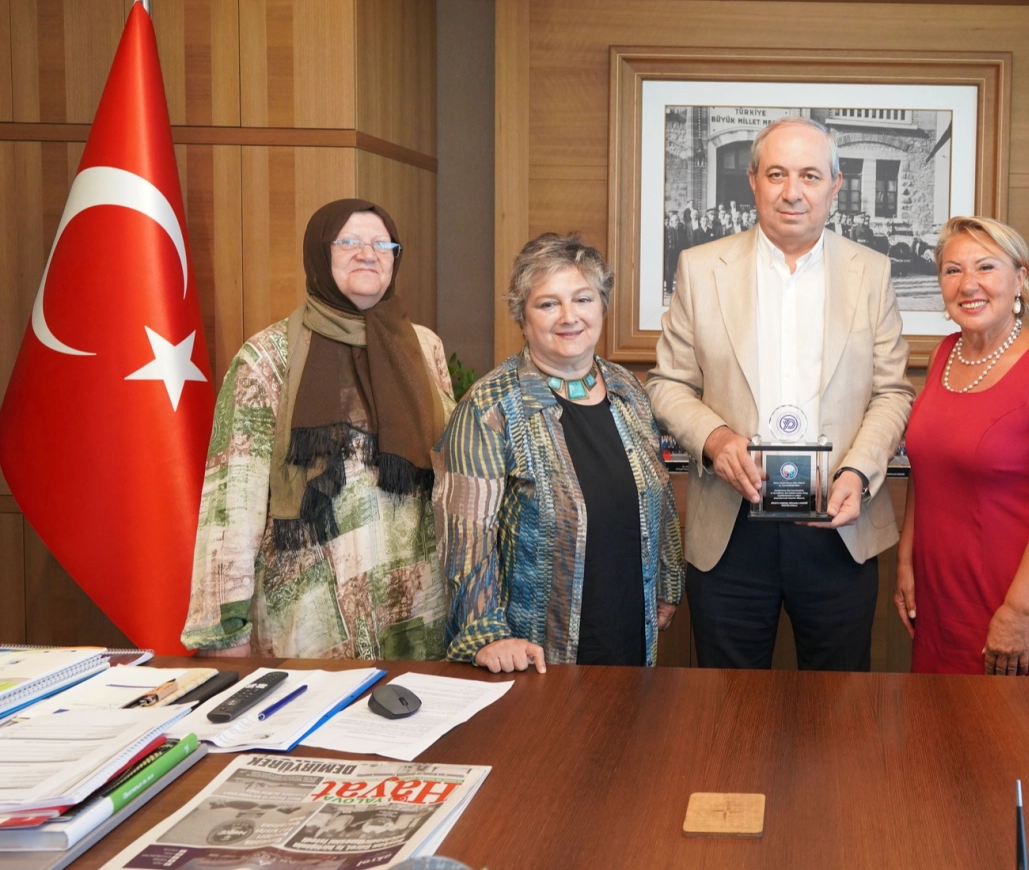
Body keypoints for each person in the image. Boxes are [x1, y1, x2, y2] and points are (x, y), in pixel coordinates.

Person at [648, 116, 913, 670]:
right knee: (727, 706)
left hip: (839, 521)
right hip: (730, 526)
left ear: (835, 185)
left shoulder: (871, 272)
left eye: (810, 176)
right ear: (753, 181)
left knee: (840, 704)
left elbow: (892, 393)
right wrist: (716, 439)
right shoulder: (700, 268)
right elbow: (668, 384)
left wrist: (858, 473)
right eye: (777, 174)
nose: (793, 192)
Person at [182, 199, 454, 658]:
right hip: (312, 627)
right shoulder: (267, 358)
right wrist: (224, 635)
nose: (368, 254)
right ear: (318, 253)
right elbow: (230, 508)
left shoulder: (424, 347)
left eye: (382, 244)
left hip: (421, 616)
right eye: (349, 241)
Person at [436, 234, 682, 672]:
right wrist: (487, 635)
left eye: (582, 299)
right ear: (523, 317)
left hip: (630, 630)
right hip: (534, 654)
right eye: (548, 304)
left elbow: (658, 494)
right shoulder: (490, 407)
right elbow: (467, 538)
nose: (569, 317)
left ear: (602, 306)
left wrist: (667, 581)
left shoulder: (628, 389)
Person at [896, 217, 1029, 675]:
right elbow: (927, 474)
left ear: (1020, 277)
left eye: (986, 267)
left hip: (1018, 595)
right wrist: (906, 560)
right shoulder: (944, 354)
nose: (968, 284)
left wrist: (1018, 612)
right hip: (940, 591)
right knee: (939, 717)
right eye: (952, 270)